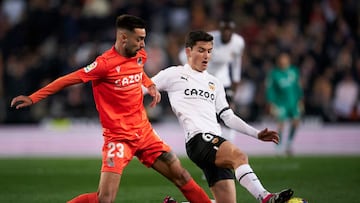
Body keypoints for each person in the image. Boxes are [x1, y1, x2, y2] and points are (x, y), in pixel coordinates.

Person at [10, 14, 211, 203]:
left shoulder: (139, 55)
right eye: (139, 39)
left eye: (144, 38)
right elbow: (67, 80)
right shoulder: (104, 65)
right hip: (118, 138)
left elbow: (138, 72)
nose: (143, 44)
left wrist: (150, 85)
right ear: (123, 37)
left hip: (144, 133)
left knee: (181, 175)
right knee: (105, 199)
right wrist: (34, 97)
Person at [151, 30, 293, 203]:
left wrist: (256, 134)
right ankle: (266, 197)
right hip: (198, 139)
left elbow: (228, 116)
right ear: (188, 51)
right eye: (201, 50)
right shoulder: (173, 74)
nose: (206, 56)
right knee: (239, 156)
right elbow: (141, 88)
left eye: (209, 51)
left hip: (214, 140)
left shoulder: (214, 83)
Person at [179, 17, 245, 143]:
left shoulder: (238, 42)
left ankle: (230, 144)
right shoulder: (209, 40)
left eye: (229, 30)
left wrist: (233, 89)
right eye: (224, 30)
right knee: (207, 115)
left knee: (228, 112)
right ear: (220, 30)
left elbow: (237, 65)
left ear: (233, 31)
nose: (226, 33)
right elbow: (183, 55)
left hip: (223, 82)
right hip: (203, 81)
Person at [265, 52, 303, 156]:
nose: (283, 61)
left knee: (296, 122)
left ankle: (289, 143)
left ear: (288, 60)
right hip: (280, 103)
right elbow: (270, 89)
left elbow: (298, 86)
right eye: (281, 59)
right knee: (280, 124)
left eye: (285, 59)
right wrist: (271, 103)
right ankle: (279, 146)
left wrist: (300, 99)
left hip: (294, 102)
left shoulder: (294, 71)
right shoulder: (274, 73)